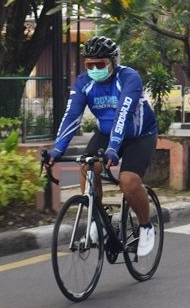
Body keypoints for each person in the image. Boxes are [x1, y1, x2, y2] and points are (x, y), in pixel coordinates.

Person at [49, 36, 158, 257]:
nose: (95, 69)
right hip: (107, 133)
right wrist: (56, 151)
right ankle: (98, 220)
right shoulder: (83, 83)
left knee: (128, 181)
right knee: (87, 168)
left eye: (100, 65)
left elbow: (123, 114)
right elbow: (72, 116)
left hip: (139, 135)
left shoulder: (129, 78)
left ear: (113, 62)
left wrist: (114, 147)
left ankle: (146, 226)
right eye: (89, 65)